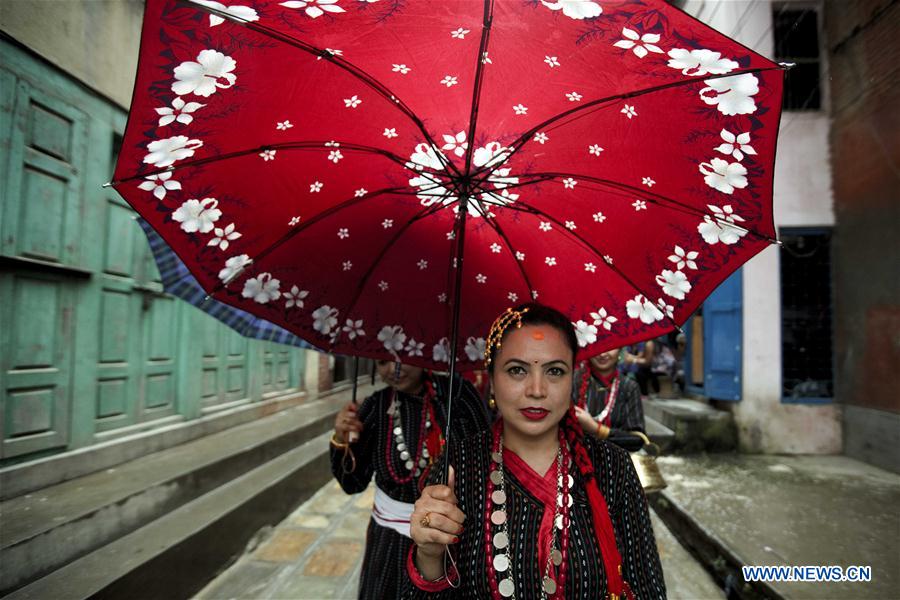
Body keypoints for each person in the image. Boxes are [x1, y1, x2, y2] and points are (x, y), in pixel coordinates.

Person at [405, 304, 665, 599]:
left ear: (572, 378)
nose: (537, 390)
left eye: (554, 371)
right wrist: (429, 555)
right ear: (491, 380)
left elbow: (648, 588)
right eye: (517, 370)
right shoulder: (457, 468)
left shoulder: (611, 466)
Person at [330, 360, 489, 600]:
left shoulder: (458, 394)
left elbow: (485, 456)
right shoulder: (375, 407)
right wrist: (343, 440)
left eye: (404, 359)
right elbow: (353, 483)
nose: (394, 369)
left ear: (424, 355)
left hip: (449, 536)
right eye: (383, 362)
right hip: (389, 541)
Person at [573, 348, 647, 452]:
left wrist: (597, 429)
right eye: (598, 346)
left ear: (620, 349)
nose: (602, 354)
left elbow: (638, 439)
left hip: (615, 461)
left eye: (610, 348)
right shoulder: (572, 381)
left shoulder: (629, 387)